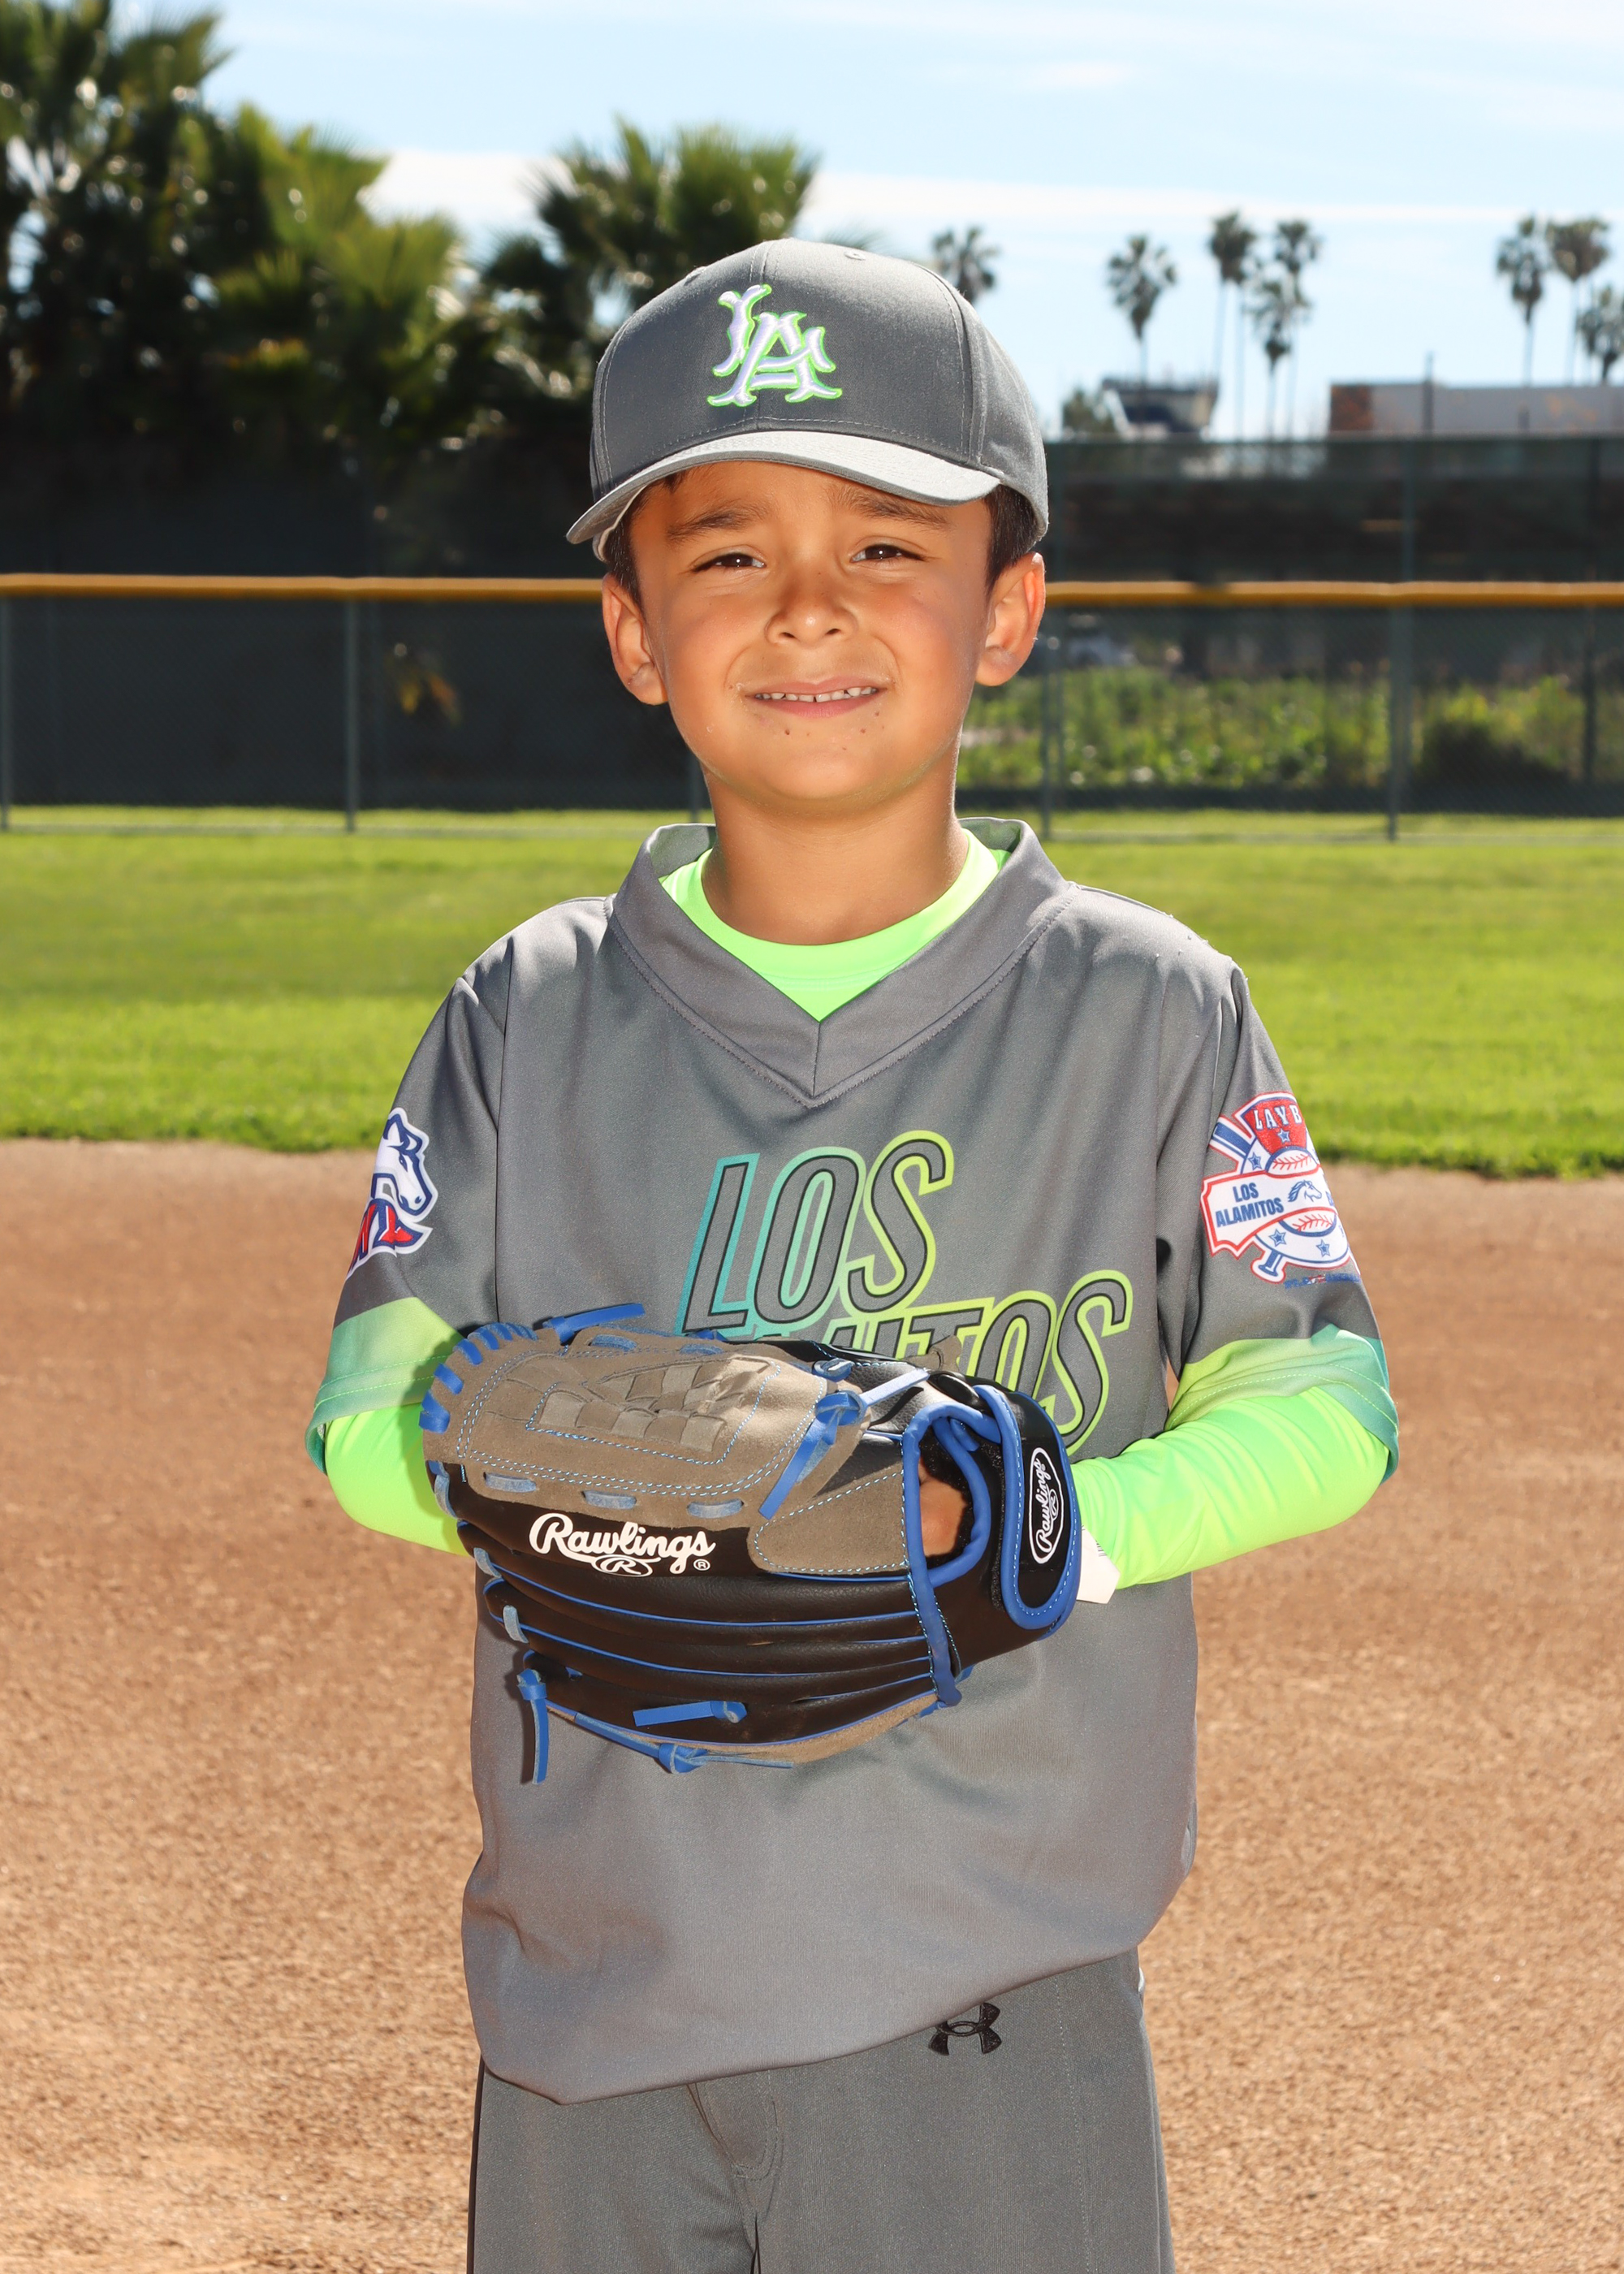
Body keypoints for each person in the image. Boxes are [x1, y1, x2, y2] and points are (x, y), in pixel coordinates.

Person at [305, 240, 1397, 2273]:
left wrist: (1042, 1530)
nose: (807, 604)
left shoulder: (1146, 1007)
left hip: (984, 1988)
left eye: (888, 545)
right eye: (725, 553)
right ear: (633, 631)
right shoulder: (524, 1012)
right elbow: (366, 1405)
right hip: (586, 1988)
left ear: (1009, 611)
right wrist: (605, 1487)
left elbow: (1325, 1394)